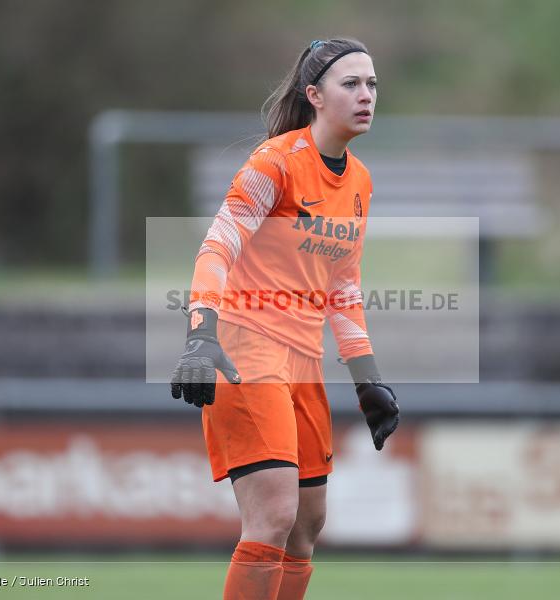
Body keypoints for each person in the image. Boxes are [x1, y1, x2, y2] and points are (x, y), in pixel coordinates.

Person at [170, 37, 400, 600]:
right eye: (351, 84)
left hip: (302, 362)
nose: (366, 95)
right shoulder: (276, 162)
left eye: (371, 84)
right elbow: (215, 247)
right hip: (245, 351)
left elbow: (342, 290)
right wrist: (201, 333)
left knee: (304, 529)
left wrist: (367, 379)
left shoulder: (361, 183)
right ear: (314, 95)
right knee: (273, 515)